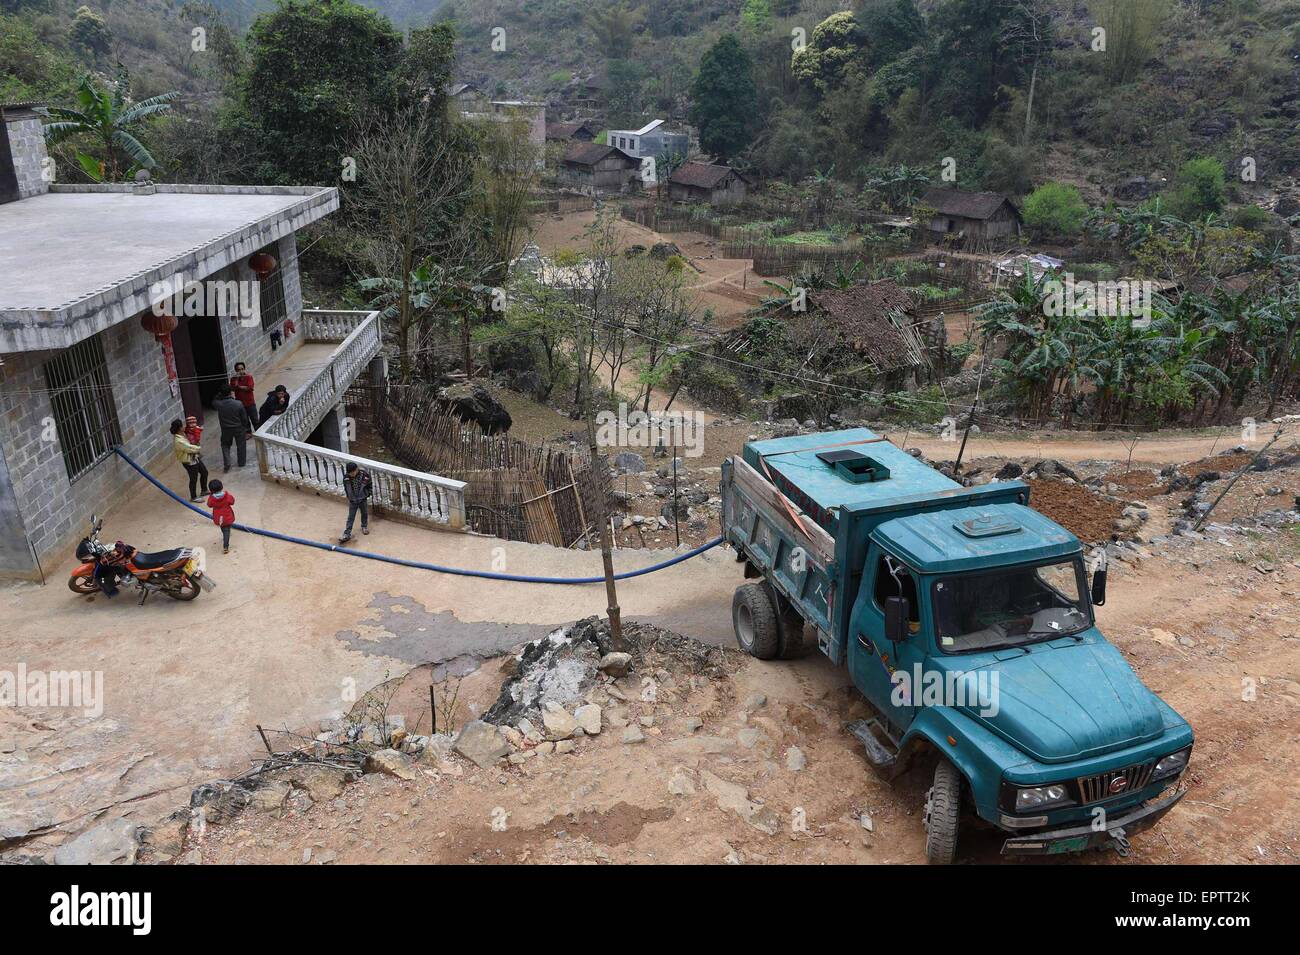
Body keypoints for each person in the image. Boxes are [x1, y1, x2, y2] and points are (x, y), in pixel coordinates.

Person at [212, 387, 251, 471]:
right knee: (241, 445)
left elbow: (214, 400)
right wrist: (244, 428)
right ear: (230, 393)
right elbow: (244, 418)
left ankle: (227, 463)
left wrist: (220, 394)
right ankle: (241, 463)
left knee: (225, 445)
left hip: (226, 429)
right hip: (238, 428)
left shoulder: (219, 404)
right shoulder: (238, 403)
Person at [170, 419, 208, 502]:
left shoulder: (183, 434)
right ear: (180, 428)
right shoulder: (178, 440)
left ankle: (204, 490)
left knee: (204, 472)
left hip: (194, 457)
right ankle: (193, 497)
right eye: (182, 425)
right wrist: (198, 447)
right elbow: (189, 448)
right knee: (193, 478)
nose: (184, 426)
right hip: (189, 461)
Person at [338, 462, 372, 544]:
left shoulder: (365, 475)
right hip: (352, 500)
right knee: (351, 517)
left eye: (353, 472)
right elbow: (346, 488)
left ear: (357, 469)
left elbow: (370, 485)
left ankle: (364, 526)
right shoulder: (346, 478)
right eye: (349, 473)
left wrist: (367, 494)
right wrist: (350, 497)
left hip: (362, 499)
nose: (351, 474)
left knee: (364, 513)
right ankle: (347, 533)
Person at [206, 480, 236, 554]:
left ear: (211, 490)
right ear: (221, 487)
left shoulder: (212, 498)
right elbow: (232, 501)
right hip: (227, 516)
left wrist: (210, 496)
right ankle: (226, 546)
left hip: (219, 518)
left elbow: (209, 505)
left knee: (223, 528)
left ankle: (226, 534)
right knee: (227, 530)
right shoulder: (226, 496)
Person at [230, 362, 260, 429]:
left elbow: (250, 388)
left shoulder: (249, 377)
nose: (241, 371)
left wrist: (239, 387)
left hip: (250, 403)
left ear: (244, 369)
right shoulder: (233, 379)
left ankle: (258, 432)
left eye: (242, 369)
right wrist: (237, 380)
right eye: (238, 370)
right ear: (236, 371)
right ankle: (248, 432)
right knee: (244, 420)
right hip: (240, 404)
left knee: (255, 419)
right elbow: (233, 389)